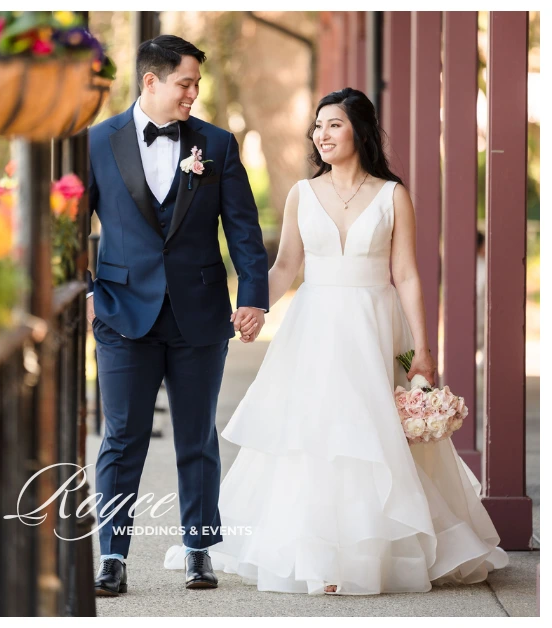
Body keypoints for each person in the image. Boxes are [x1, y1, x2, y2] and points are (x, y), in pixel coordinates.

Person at [161, 87, 508, 594]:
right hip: (315, 327)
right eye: (318, 126)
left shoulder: (392, 194)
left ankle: (375, 554)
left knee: (374, 437)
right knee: (314, 437)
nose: (321, 135)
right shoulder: (303, 193)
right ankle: (318, 556)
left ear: (360, 132)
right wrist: (253, 307)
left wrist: (424, 350)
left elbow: (408, 275)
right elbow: (286, 267)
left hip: (374, 325)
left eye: (334, 125)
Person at [86, 34, 271, 594]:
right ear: (151, 80)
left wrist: (254, 296)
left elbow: (242, 228)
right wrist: (85, 291)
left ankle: (199, 550)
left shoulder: (216, 143)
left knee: (197, 438)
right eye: (185, 83)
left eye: (197, 84)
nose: (193, 93)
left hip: (199, 314)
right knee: (122, 438)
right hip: (121, 314)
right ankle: (112, 557)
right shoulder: (97, 142)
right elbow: (61, 227)